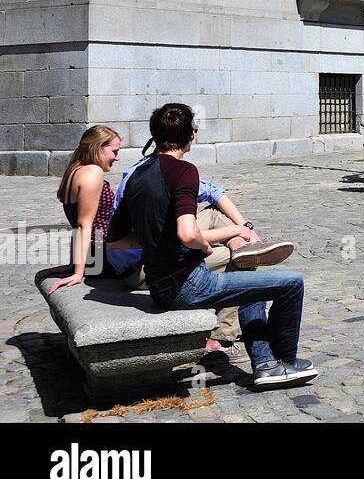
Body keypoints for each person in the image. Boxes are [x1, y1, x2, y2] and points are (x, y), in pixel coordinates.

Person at [109, 103, 316, 390]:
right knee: (292, 283)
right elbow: (187, 232)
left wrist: (155, 237)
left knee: (251, 282)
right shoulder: (184, 171)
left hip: (160, 287)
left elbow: (116, 239)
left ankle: (265, 362)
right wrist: (225, 235)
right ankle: (285, 360)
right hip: (189, 284)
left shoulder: (137, 174)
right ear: (190, 135)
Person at [48, 126, 135, 292]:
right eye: (115, 151)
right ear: (97, 148)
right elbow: (83, 226)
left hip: (94, 256)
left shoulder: (73, 171)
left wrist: (74, 264)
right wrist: (78, 273)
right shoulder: (93, 172)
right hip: (102, 257)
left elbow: (77, 224)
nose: (117, 158)